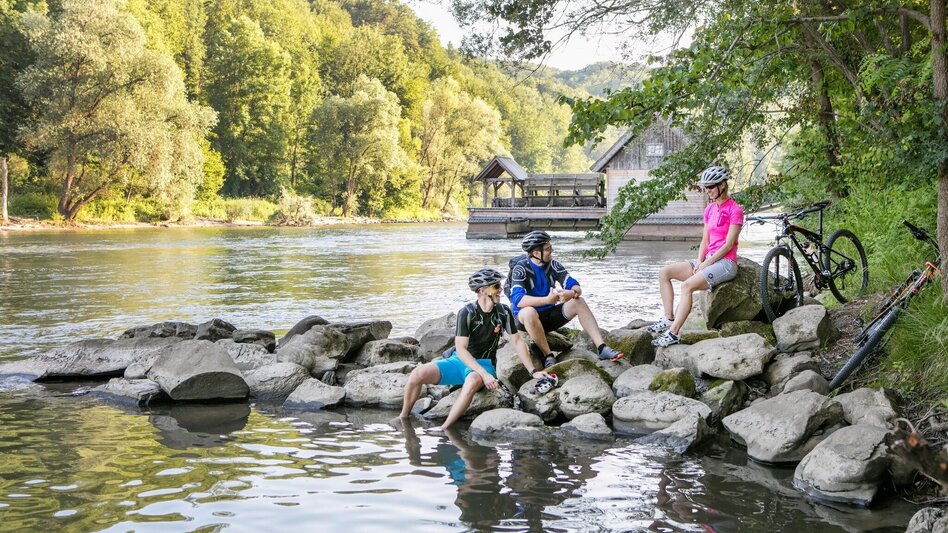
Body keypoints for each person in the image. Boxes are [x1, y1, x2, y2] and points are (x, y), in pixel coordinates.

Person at [399, 268, 550, 429]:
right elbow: (461, 349)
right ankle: (403, 418)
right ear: (482, 290)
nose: (501, 290)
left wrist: (533, 372)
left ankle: (444, 428)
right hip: (459, 361)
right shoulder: (467, 312)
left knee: (471, 381)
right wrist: (484, 375)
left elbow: (518, 341)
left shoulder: (503, 312)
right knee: (417, 374)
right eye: (496, 286)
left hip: (485, 364)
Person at [649, 166, 745, 347]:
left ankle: (674, 333)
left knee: (687, 287)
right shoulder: (709, 209)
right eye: (706, 187)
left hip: (725, 263)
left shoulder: (735, 210)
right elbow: (705, 240)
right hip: (707, 259)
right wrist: (700, 261)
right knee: (664, 272)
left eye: (710, 187)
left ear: (722, 185)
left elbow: (729, 244)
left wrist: (707, 263)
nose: (707, 190)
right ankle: (669, 317)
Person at [509, 230, 623, 368]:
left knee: (578, 301)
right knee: (528, 312)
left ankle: (602, 348)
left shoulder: (553, 265)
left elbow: (575, 285)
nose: (551, 251)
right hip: (525, 319)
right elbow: (518, 299)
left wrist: (571, 292)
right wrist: (546, 300)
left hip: (548, 315)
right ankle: (548, 355)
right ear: (536, 253)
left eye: (550, 247)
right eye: (547, 249)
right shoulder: (520, 269)